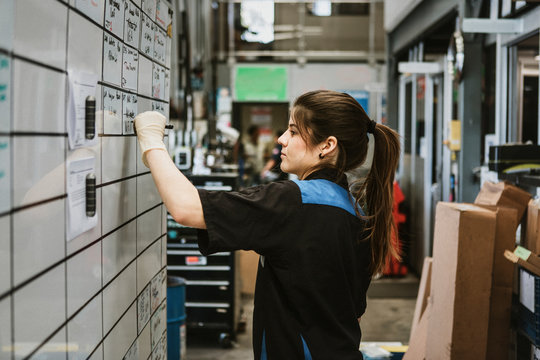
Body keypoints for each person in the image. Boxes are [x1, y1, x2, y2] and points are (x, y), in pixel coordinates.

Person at [134, 89, 401, 360]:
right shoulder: (355, 212)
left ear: (327, 145)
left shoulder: (294, 202)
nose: (281, 139)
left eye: (294, 132)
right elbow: (350, 313)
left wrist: (152, 142)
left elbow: (185, 207)